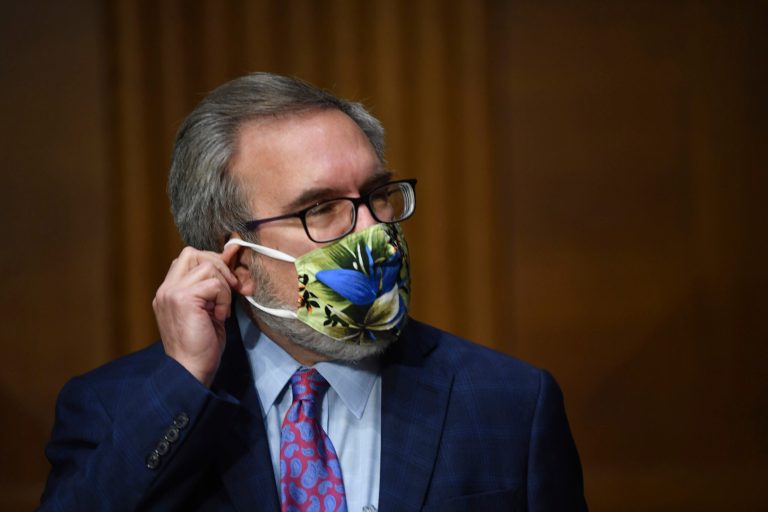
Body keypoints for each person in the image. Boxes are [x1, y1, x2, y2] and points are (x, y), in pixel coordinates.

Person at [40, 72, 587, 511]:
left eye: (377, 194)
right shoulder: (113, 409)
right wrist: (185, 382)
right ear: (239, 262)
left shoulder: (511, 403)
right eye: (321, 208)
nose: (373, 230)